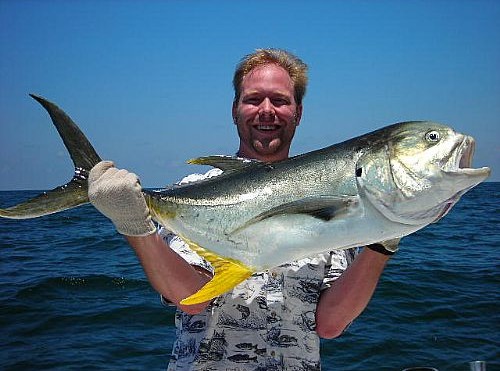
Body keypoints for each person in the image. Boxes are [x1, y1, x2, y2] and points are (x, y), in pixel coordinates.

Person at [88, 49, 398, 370]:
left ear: (298, 111)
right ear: (235, 110)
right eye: (253, 100)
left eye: (279, 100)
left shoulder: (332, 195)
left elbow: (331, 324)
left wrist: (385, 238)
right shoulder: (194, 190)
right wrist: (135, 227)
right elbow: (191, 298)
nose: (266, 111)